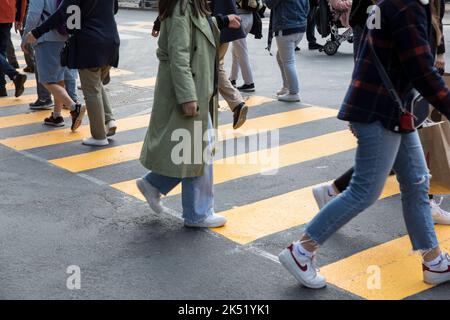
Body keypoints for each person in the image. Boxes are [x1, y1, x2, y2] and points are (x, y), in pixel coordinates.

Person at [278, 0, 450, 289]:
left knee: (417, 183)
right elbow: (421, 70)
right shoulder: (407, 7)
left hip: (386, 108)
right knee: (364, 191)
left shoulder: (387, 4)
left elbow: (373, 57)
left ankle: (434, 262)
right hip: (381, 110)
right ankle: (301, 251)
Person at [313, 0, 450, 225]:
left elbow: (434, 15)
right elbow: (365, 35)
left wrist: (439, 50)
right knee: (368, 186)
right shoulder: (400, 7)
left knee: (399, 161)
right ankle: (302, 249)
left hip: (401, 84)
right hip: (392, 88)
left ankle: (432, 251)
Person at [137, 0, 241, 228]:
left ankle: (154, 184)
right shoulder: (181, 6)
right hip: (189, 87)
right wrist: (187, 96)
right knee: (200, 147)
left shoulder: (189, 5)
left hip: (198, 86)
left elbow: (198, 27)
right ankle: (198, 213)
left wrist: (223, 21)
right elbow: (179, 53)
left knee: (195, 147)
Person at [26, 0, 120, 146]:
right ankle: (109, 120)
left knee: (91, 90)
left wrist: (37, 32)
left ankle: (99, 136)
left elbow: (62, 13)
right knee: (96, 83)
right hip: (111, 41)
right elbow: (114, 10)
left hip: (90, 42)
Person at [21, 0, 83, 129]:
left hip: (46, 37)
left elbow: (33, 14)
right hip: (64, 36)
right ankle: (56, 116)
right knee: (58, 79)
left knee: (46, 80)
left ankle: (74, 107)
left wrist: (26, 37)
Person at [210, 0, 249, 130]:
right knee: (216, 66)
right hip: (223, 27)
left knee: (212, 66)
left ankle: (235, 102)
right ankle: (231, 102)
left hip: (214, 28)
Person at [264, 0, 309, 103]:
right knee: (280, 57)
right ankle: (286, 86)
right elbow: (307, 7)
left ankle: (294, 92)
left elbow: (270, 4)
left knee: (288, 62)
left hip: (286, 27)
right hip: (300, 26)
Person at [229, 0, 264, 93]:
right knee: (236, 50)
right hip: (249, 17)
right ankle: (232, 79)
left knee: (241, 52)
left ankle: (249, 83)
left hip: (239, 18)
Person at [0, 0, 28, 98]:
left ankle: (14, 75)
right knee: (1, 52)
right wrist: (19, 18)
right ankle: (1, 88)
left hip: (7, 14)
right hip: (8, 14)